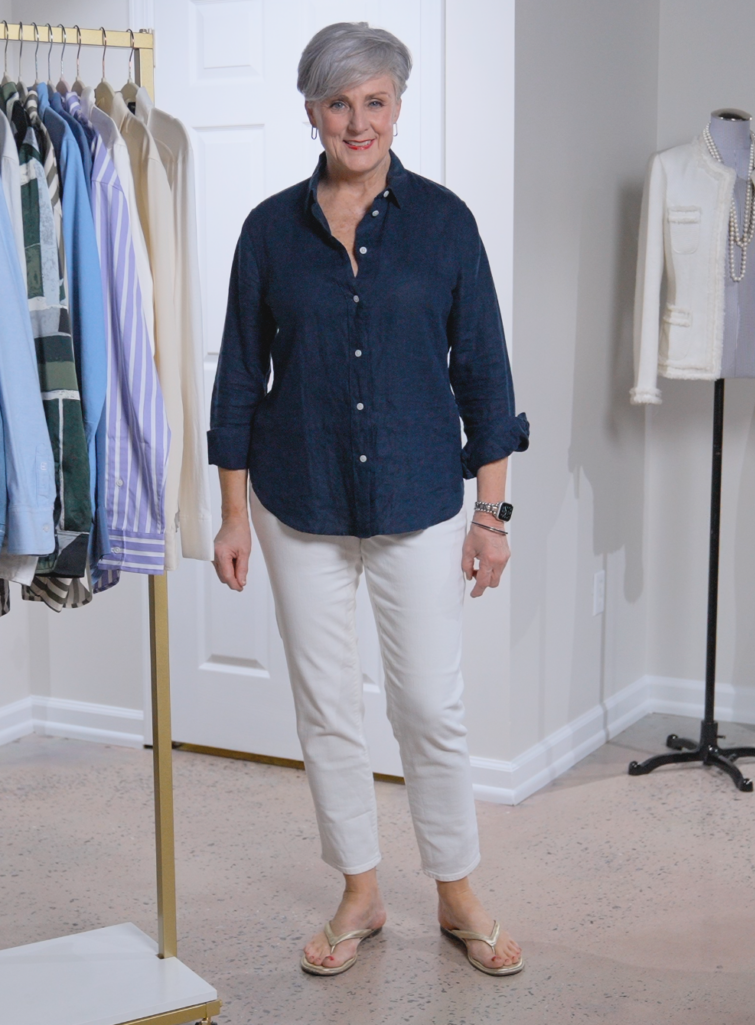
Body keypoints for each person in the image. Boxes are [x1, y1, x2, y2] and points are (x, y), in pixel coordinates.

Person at [209, 21, 529, 977]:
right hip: (298, 496)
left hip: (420, 496)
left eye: (375, 101)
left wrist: (492, 515)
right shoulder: (270, 230)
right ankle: (360, 888)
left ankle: (457, 888)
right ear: (312, 111)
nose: (359, 123)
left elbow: (485, 375)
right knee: (326, 707)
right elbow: (237, 378)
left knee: (430, 704)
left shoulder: (445, 223)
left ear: (398, 104)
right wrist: (232, 514)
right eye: (339, 103)